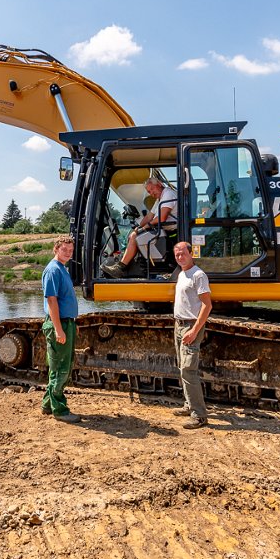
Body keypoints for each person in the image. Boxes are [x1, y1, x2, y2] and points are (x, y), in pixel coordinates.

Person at [170, 241, 213, 429]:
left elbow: (207, 305)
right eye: (177, 254)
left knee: (189, 369)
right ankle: (189, 405)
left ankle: (199, 415)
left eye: (183, 253)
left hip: (190, 326)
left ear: (191, 254)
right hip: (179, 325)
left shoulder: (198, 275)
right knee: (182, 367)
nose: (180, 257)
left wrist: (194, 330)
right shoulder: (181, 274)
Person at [40, 235, 81, 423]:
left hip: (66, 322)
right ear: (56, 249)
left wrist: (71, 324)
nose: (68, 253)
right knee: (61, 367)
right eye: (64, 249)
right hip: (59, 323)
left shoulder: (62, 268)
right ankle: (60, 410)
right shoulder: (53, 270)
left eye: (70, 250)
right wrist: (59, 329)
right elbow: (52, 301)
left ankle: (48, 404)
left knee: (59, 365)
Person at [101, 177, 177, 277]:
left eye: (152, 189)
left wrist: (143, 228)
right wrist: (137, 227)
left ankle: (121, 268)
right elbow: (150, 216)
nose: (151, 193)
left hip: (171, 231)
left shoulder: (168, 194)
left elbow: (161, 218)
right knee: (135, 234)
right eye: (149, 191)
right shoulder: (160, 198)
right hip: (163, 230)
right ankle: (124, 265)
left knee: (135, 237)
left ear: (159, 184)